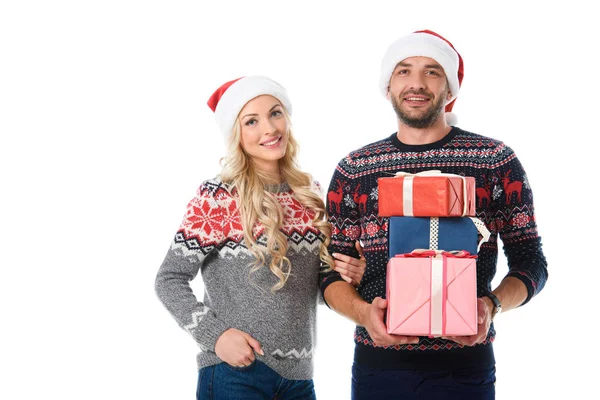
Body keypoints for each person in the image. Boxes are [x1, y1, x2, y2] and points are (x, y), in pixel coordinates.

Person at [320, 30, 549, 399]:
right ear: (388, 85)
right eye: (404, 71)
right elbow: (328, 274)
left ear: (450, 88)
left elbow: (532, 262)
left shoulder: (494, 161)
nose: (417, 83)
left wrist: (491, 305)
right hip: (379, 366)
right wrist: (364, 314)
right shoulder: (355, 169)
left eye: (432, 72)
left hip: (466, 366)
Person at [155, 75, 366, 400]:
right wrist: (216, 336)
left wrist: (349, 276)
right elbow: (169, 279)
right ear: (235, 134)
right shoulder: (219, 197)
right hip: (235, 374)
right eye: (251, 121)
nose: (269, 128)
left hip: (299, 378)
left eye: (275, 113)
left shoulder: (308, 193)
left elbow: (318, 284)